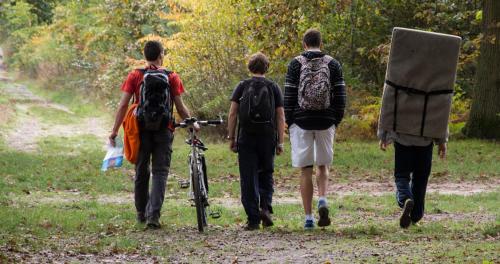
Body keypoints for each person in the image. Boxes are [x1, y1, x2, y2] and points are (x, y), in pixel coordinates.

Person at [108, 40, 198, 229]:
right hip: (164, 129)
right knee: (160, 172)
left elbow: (123, 104)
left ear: (145, 55)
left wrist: (115, 130)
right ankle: (153, 216)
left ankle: (141, 212)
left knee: (142, 169)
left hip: (140, 129)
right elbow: (180, 106)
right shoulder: (172, 76)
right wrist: (191, 122)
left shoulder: (135, 75)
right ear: (161, 55)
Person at [284, 29, 346, 229]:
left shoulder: (295, 64)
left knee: (305, 169)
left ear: (304, 44)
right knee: (322, 165)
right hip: (326, 120)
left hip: (301, 121)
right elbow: (340, 96)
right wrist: (335, 119)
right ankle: (323, 199)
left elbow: (289, 97)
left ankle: (309, 218)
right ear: (321, 42)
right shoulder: (333, 64)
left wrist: (289, 121)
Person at [227, 52, 285, 230]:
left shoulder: (242, 86)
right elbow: (280, 115)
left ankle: (253, 220)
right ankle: (265, 207)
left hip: (247, 137)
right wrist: (280, 141)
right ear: (267, 68)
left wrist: (232, 137)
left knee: (248, 177)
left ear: (250, 68)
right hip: (267, 137)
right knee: (266, 173)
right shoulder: (273, 87)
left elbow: (233, 113)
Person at [379, 126, 447, 228]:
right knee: (421, 179)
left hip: (402, 138)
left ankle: (405, 198)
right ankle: (415, 217)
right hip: (425, 140)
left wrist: (383, 136)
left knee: (401, 176)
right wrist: (442, 141)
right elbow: (441, 115)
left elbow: (387, 111)